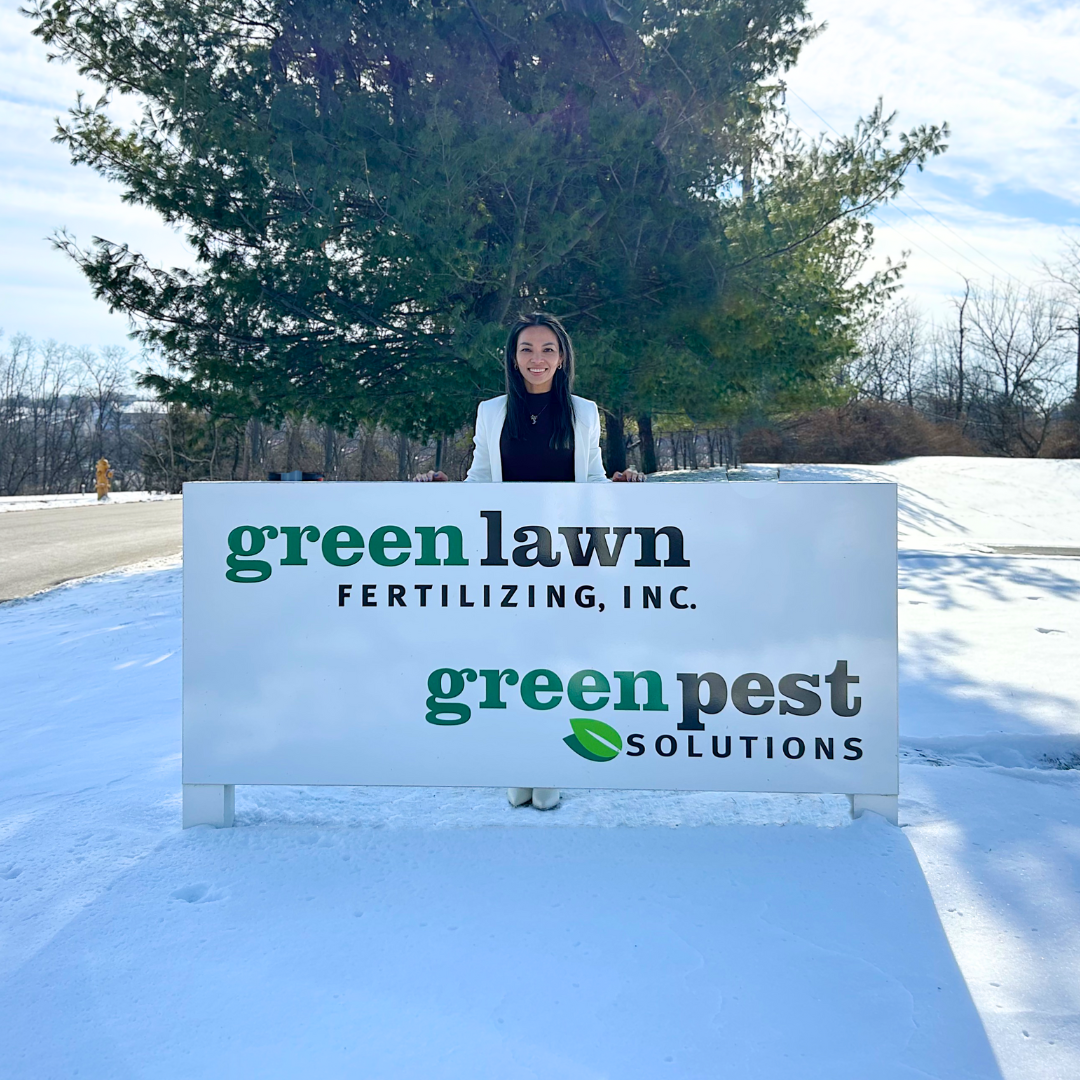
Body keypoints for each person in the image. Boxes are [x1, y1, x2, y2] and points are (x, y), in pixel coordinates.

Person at [416, 312, 643, 809]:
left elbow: (592, 482)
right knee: (510, 664)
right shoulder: (491, 411)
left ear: (562, 359)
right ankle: (520, 761)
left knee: (558, 663)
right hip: (507, 557)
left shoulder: (584, 412)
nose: (536, 359)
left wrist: (621, 487)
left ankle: (550, 766)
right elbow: (480, 479)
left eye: (546, 350)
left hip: (568, 557)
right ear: (513, 358)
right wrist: (445, 491)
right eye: (526, 350)